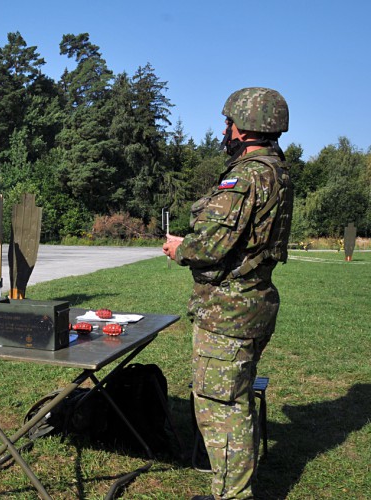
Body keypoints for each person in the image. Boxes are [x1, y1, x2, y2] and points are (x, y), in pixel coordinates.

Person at [163, 87, 293, 500]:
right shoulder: (277, 172)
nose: (225, 130)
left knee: (222, 407)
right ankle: (231, 490)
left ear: (247, 125)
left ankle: (232, 496)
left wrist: (179, 248)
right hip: (253, 303)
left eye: (229, 122)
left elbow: (211, 245)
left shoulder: (248, 176)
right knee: (235, 400)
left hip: (229, 312)